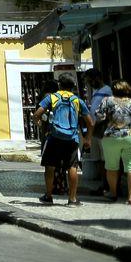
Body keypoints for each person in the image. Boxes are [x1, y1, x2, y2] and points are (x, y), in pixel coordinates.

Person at [33, 73, 93, 206]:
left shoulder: (52, 97)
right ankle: (72, 199)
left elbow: (37, 114)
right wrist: (88, 139)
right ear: (73, 86)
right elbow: (90, 123)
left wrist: (39, 123)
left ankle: (48, 196)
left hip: (54, 137)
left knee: (50, 167)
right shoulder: (77, 100)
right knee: (72, 167)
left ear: (59, 84)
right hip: (72, 138)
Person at [95, 80, 131, 205]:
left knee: (111, 167)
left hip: (111, 137)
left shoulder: (107, 101)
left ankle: (113, 193)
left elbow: (99, 116)